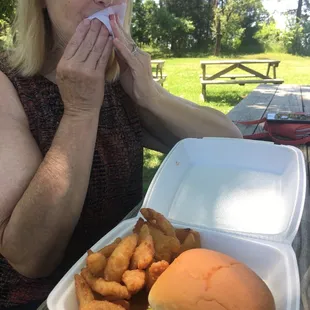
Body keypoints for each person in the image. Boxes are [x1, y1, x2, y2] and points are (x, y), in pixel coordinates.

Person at [0, 0, 242, 309]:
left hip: (131, 289)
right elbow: (29, 258)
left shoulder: (118, 81)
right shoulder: (7, 84)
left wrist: (151, 95)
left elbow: (231, 143)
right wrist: (80, 111)